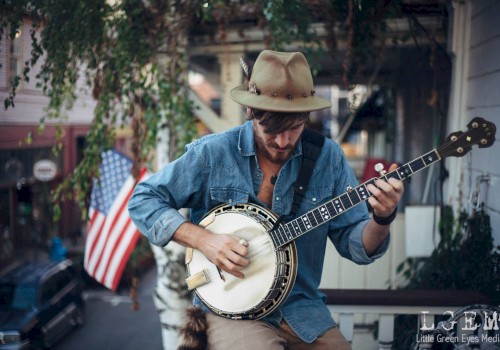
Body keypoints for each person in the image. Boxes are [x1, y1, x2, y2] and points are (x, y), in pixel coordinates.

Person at [128, 50, 404, 350]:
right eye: (271, 130)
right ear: (251, 112)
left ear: (307, 115)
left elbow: (356, 245)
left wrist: (382, 217)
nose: (283, 142)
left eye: (294, 129)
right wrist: (203, 240)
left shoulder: (328, 158)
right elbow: (143, 199)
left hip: (301, 309)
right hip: (230, 308)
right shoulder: (213, 154)